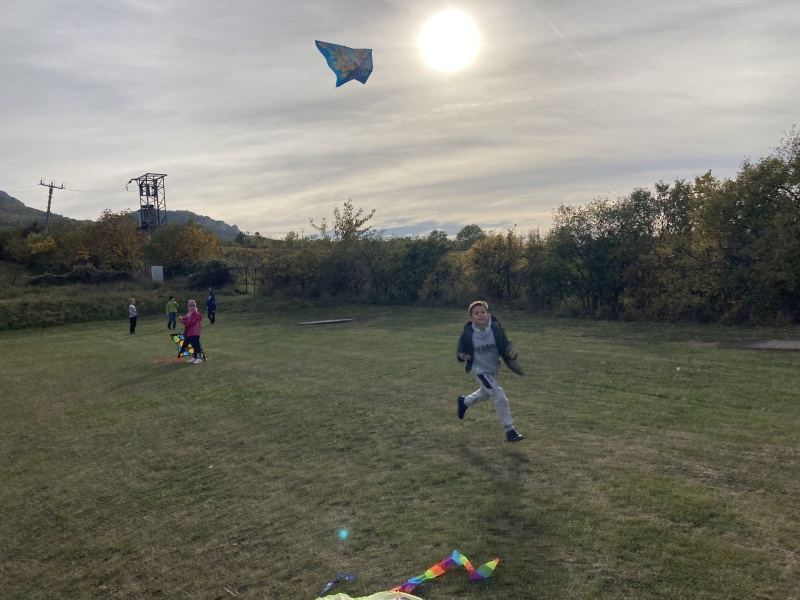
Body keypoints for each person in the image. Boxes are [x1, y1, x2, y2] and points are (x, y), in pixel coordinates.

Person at [456, 300, 524, 442]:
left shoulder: (496, 329)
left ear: (488, 315)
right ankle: (510, 430)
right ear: (471, 318)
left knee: (486, 393)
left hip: (493, 368)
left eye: (483, 312)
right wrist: (463, 356)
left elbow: (505, 346)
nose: (480, 315)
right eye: (476, 313)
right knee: (499, 395)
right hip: (479, 370)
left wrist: (511, 354)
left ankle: (464, 402)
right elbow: (460, 351)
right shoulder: (468, 334)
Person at [179, 299, 204, 364]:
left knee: (196, 345)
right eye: (190, 306)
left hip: (195, 332)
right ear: (188, 306)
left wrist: (182, 321)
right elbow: (186, 317)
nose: (192, 307)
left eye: (193, 306)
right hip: (190, 333)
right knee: (192, 345)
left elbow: (190, 323)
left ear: (195, 306)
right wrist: (182, 318)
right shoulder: (189, 313)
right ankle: (194, 357)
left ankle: (199, 358)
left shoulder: (196, 314)